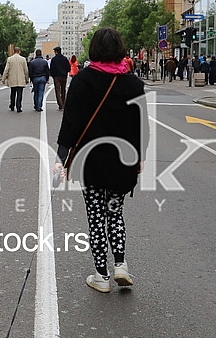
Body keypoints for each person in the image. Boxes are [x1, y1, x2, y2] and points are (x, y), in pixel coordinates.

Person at [54, 27, 145, 293]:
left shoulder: (82, 80)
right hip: (123, 160)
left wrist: (60, 160)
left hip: (90, 161)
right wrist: (138, 158)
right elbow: (139, 126)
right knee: (115, 213)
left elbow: (70, 124)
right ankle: (120, 265)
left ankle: (101, 276)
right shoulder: (133, 84)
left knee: (95, 217)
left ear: (94, 49)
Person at [1, 46, 29, 112]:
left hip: (12, 79)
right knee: (20, 94)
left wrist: (3, 78)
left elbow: (6, 69)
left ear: (14, 51)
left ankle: (12, 105)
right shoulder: (23, 59)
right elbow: (26, 70)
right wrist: (27, 79)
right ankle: (18, 107)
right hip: (21, 79)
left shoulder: (10, 59)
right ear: (19, 51)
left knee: (13, 93)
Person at [49, 46, 71, 110]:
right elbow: (68, 68)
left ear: (56, 52)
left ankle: (60, 105)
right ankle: (63, 103)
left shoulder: (54, 59)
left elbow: (52, 69)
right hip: (64, 76)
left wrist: (53, 75)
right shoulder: (65, 59)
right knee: (63, 90)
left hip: (56, 77)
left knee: (57, 90)